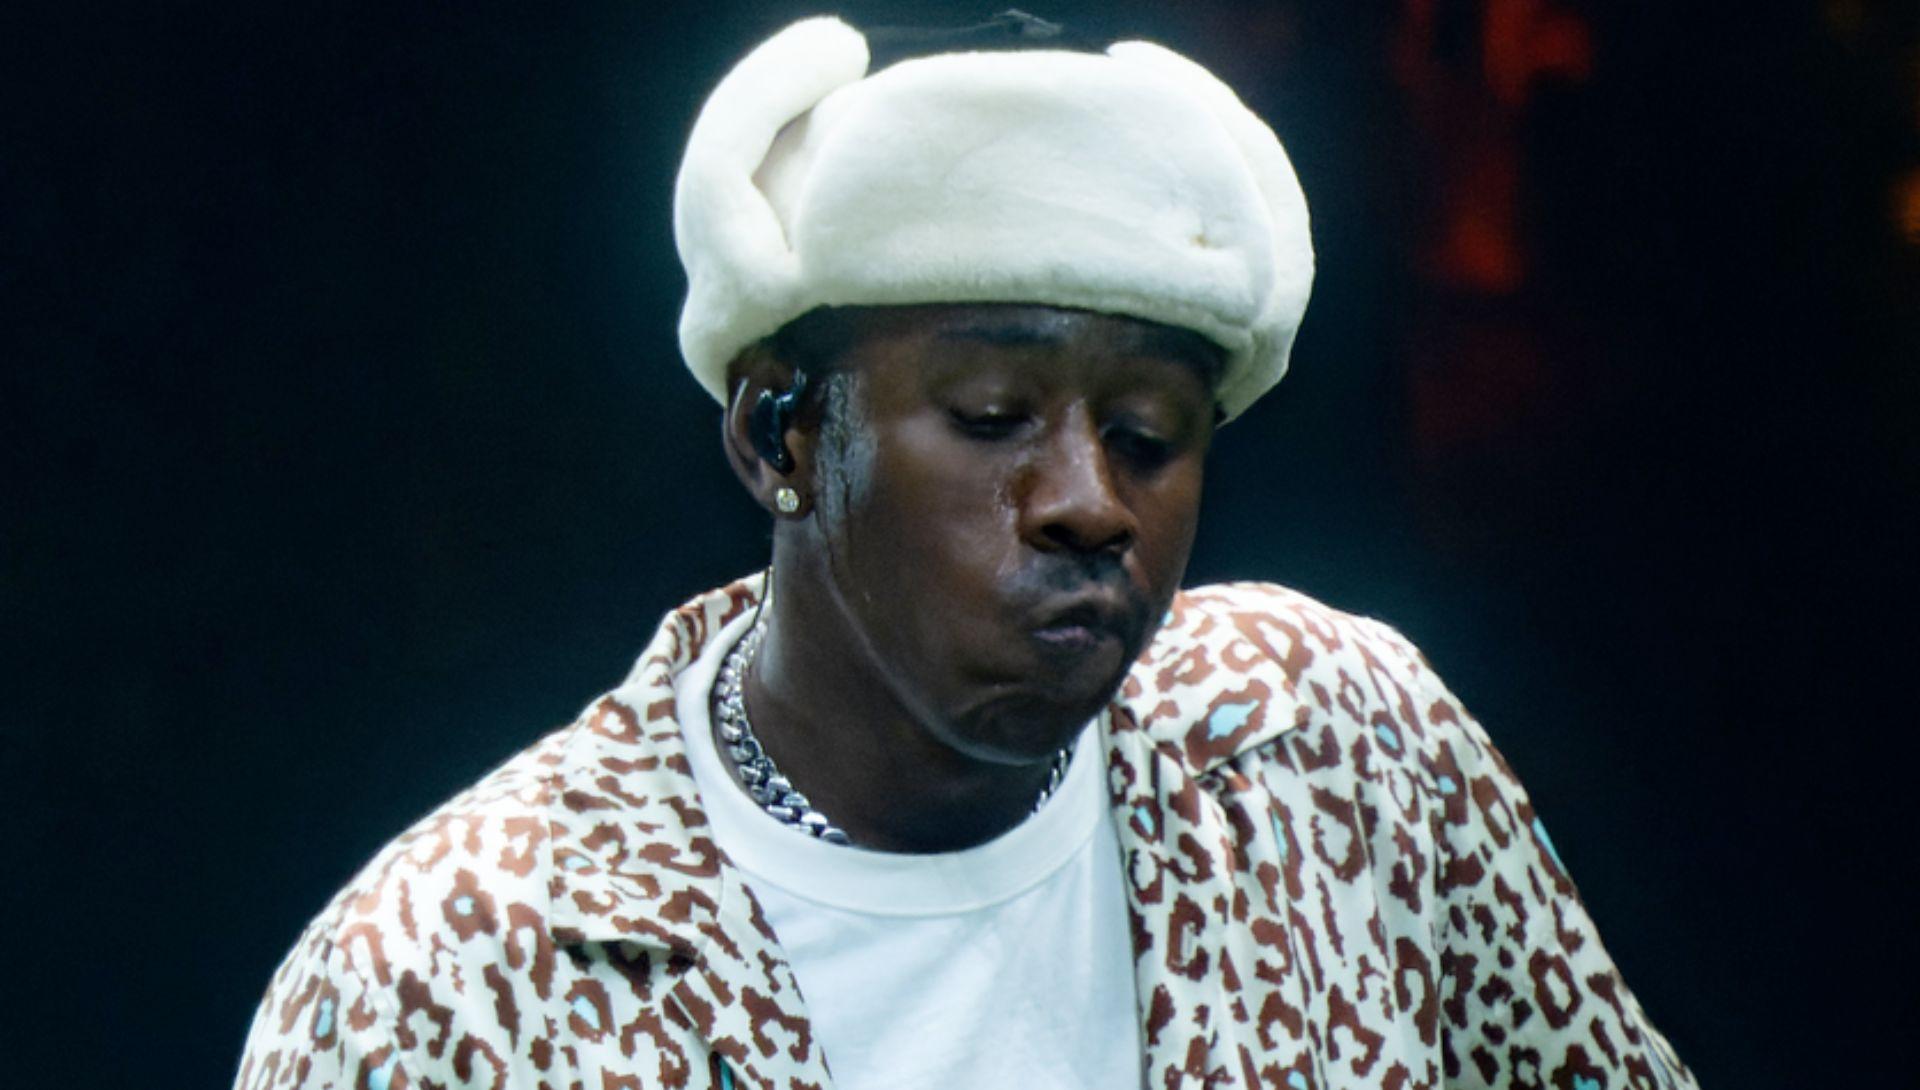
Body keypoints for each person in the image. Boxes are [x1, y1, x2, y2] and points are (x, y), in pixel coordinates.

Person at [234, 13, 1694, 1090]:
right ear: (778, 433)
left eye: (1148, 434)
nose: (1088, 501)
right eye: (993, 416)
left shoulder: (1330, 751)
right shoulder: (452, 972)